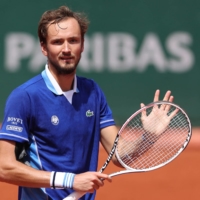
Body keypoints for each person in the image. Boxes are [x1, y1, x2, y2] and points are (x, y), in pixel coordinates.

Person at [0, 5, 175, 200]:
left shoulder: (93, 92)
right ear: (44, 47)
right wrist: (69, 180)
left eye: (73, 41)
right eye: (57, 42)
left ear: (82, 45)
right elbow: (4, 168)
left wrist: (147, 137)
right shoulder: (25, 97)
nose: (66, 49)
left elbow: (118, 155)